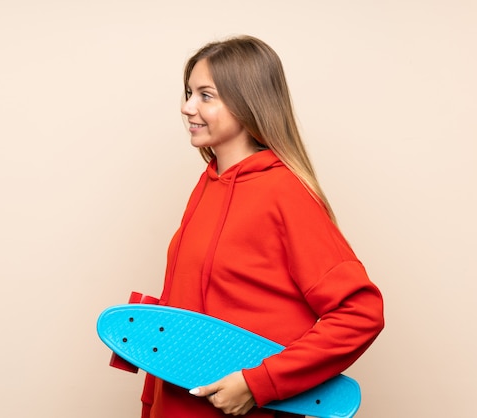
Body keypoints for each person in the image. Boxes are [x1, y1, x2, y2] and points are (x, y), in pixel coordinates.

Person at [140, 35, 384, 417]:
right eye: (189, 92)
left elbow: (360, 311)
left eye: (206, 95)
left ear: (246, 103)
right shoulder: (207, 184)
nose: (187, 107)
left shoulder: (283, 192)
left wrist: (259, 383)